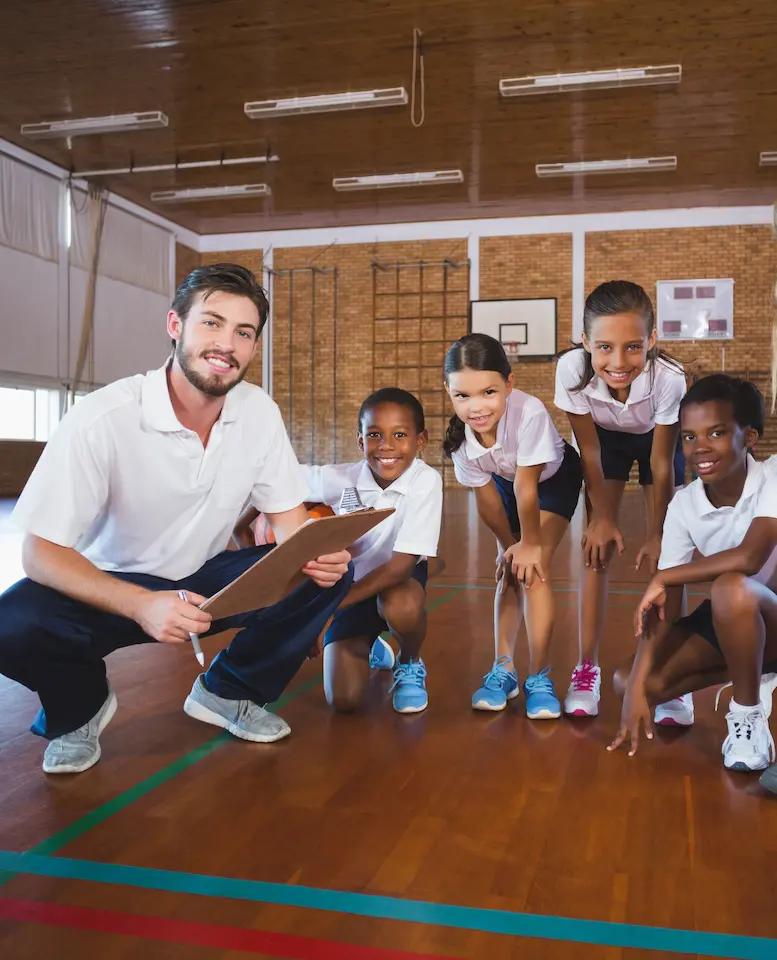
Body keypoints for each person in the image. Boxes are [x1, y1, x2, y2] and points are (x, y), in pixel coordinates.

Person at [0, 263, 352, 775]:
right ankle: (80, 708)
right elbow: (38, 552)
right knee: (10, 624)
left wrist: (316, 555)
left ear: (254, 346)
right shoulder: (103, 418)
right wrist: (142, 604)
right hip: (110, 586)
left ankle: (227, 690)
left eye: (243, 332)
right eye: (211, 323)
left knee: (327, 574)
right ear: (175, 326)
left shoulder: (257, 412)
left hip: (204, 578)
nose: (226, 343)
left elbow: (291, 524)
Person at [608, 374, 777, 772]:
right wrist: (634, 689)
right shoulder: (684, 505)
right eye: (688, 437)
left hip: (764, 608)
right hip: (740, 622)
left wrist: (666, 576)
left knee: (731, 588)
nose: (700, 447)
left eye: (716, 432)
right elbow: (663, 606)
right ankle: (758, 670)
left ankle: (747, 713)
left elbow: (751, 557)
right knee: (631, 680)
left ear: (748, 437)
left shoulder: (773, 476)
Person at [236, 388, 442, 714]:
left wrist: (325, 612)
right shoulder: (341, 479)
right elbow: (274, 480)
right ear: (360, 442)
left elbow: (400, 567)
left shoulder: (425, 481)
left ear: (420, 441)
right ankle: (371, 643)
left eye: (399, 434)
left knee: (400, 603)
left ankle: (410, 662)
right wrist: (242, 525)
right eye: (375, 435)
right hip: (348, 583)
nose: (386, 445)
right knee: (344, 700)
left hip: (395, 581)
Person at [554, 280, 690, 723]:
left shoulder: (668, 378)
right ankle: (585, 667)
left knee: (670, 559)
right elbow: (590, 450)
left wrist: (656, 534)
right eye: (605, 347)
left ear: (652, 340)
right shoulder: (572, 370)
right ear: (585, 342)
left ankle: (668, 673)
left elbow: (662, 462)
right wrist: (602, 518)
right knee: (596, 550)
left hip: (657, 443)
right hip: (605, 442)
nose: (618, 361)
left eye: (633, 347)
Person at [444, 333, 583, 719]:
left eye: (488, 392)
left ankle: (540, 677)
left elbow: (527, 486)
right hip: (506, 485)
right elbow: (488, 500)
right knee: (510, 571)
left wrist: (530, 546)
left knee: (534, 570)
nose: (476, 407)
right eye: (462, 396)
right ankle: (503, 669)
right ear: (449, 392)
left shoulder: (530, 413)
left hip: (551, 479)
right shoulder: (461, 443)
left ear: (509, 384)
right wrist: (508, 547)